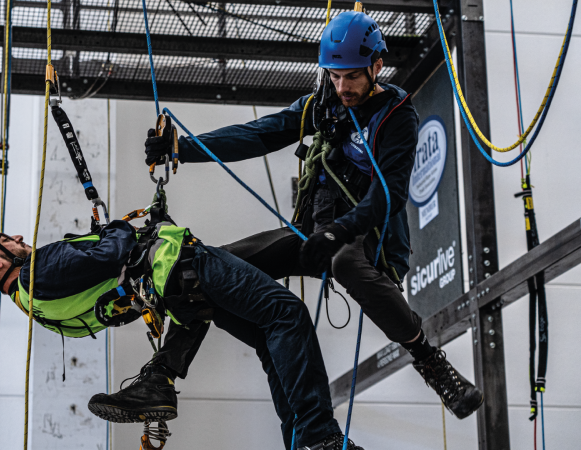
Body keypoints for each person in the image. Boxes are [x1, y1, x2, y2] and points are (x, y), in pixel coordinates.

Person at [139, 9, 484, 432]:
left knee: (342, 261)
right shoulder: (321, 104)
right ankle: (161, 376)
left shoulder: (395, 115)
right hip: (311, 231)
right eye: (334, 76)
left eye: (352, 77)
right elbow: (260, 133)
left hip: (363, 234)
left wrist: (341, 230)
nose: (342, 87)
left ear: (377, 66)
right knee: (206, 267)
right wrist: (182, 149)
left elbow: (389, 195)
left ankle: (430, 361)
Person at [0, 216, 364, 449]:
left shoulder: (39, 308)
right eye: (2, 240)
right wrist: (117, 226)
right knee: (285, 314)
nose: (15, 237)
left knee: (270, 342)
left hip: (173, 291)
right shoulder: (38, 271)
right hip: (183, 266)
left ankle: (303, 443)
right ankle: (319, 438)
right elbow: (112, 251)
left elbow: (106, 301)